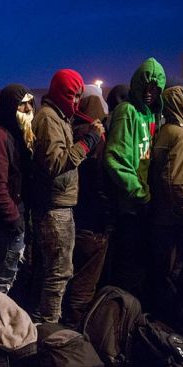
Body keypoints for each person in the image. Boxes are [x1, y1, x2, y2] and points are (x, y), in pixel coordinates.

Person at [32, 69, 104, 323]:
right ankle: (47, 329)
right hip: (54, 207)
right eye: (72, 96)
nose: (76, 102)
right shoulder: (49, 119)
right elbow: (55, 163)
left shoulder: (60, 117)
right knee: (58, 272)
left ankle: (45, 325)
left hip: (60, 203)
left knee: (57, 271)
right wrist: (89, 141)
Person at [103, 58, 166, 297]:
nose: (150, 93)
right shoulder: (127, 111)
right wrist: (140, 193)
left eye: (156, 89)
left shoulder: (151, 116)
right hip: (129, 206)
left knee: (140, 270)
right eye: (147, 87)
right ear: (137, 84)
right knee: (126, 271)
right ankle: (119, 325)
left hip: (144, 205)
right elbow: (115, 159)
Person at [148, 86, 183, 324]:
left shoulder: (164, 132)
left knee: (161, 281)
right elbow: (179, 185)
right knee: (175, 282)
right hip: (176, 224)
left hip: (159, 219)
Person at [62, 93, 111, 327]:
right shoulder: (96, 137)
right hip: (93, 219)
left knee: (69, 273)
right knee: (86, 280)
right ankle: (75, 331)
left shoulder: (71, 131)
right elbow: (100, 178)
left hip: (73, 213)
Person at [0, 84, 34, 294]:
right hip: (5, 222)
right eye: (22, 105)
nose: (28, 109)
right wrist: (14, 219)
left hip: (14, 215)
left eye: (30, 103)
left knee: (11, 278)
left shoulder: (17, 133)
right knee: (2, 281)